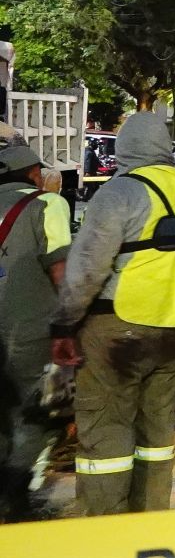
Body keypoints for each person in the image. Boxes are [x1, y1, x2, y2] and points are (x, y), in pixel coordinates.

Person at [54, 112, 175, 515]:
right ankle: (148, 523)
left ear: (125, 149)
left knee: (106, 432)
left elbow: (88, 266)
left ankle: (104, 530)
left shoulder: (119, 193)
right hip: (172, 331)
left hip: (115, 329)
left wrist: (64, 322)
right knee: (156, 434)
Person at [0, 143, 70, 520]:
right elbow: (61, 269)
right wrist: (72, 322)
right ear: (32, 173)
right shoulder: (47, 204)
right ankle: (16, 499)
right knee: (37, 411)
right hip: (29, 329)